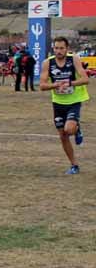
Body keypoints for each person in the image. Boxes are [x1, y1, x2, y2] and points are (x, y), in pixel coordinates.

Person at [39, 36, 90, 174]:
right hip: (58, 103)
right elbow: (42, 85)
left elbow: (85, 79)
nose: (59, 51)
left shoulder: (73, 59)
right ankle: (74, 165)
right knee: (63, 135)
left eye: (62, 48)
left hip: (74, 100)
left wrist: (70, 83)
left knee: (69, 129)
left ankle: (76, 127)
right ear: (53, 48)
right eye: (56, 48)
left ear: (67, 49)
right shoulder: (47, 63)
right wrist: (55, 85)